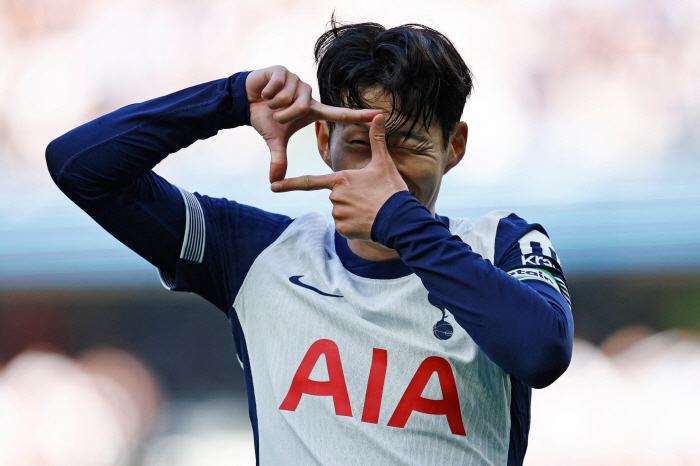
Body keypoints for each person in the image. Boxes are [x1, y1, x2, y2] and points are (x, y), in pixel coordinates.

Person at [46, 18, 573, 466]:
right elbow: (79, 167)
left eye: (408, 147)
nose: (379, 171)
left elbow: (543, 352)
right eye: (359, 144)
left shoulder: (502, 243)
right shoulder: (256, 254)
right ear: (322, 141)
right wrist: (228, 100)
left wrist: (401, 222)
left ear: (453, 146)